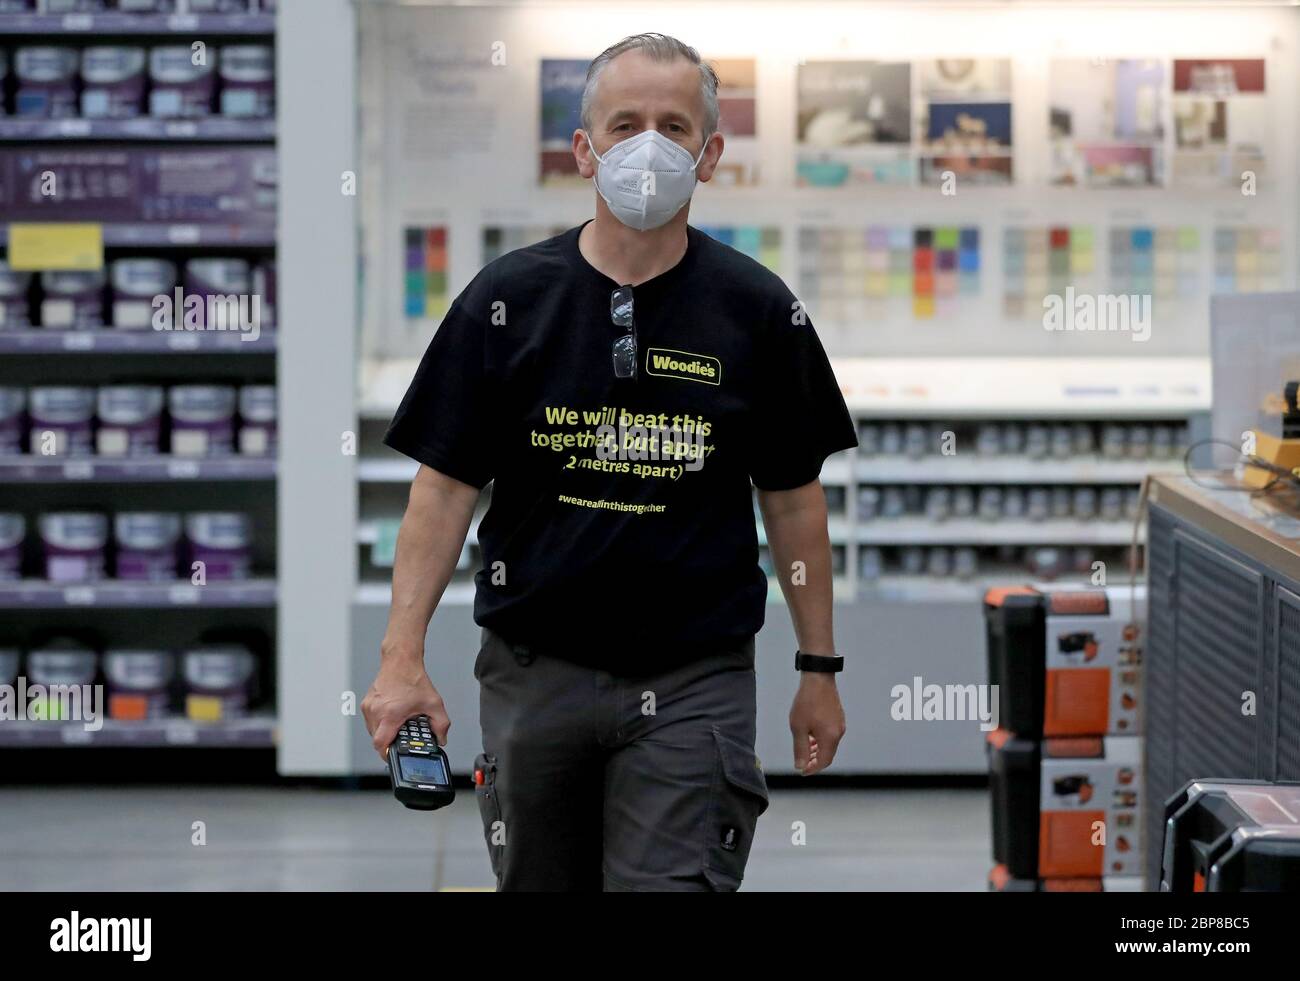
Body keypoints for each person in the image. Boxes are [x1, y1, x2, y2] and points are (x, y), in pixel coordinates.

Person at [362, 32, 857, 892]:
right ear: (583, 149)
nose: (648, 146)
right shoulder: (507, 302)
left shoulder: (758, 312)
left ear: (709, 156)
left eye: (674, 126)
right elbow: (443, 489)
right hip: (532, 671)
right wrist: (400, 657)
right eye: (625, 124)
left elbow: (792, 497)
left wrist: (818, 668)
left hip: (695, 675)